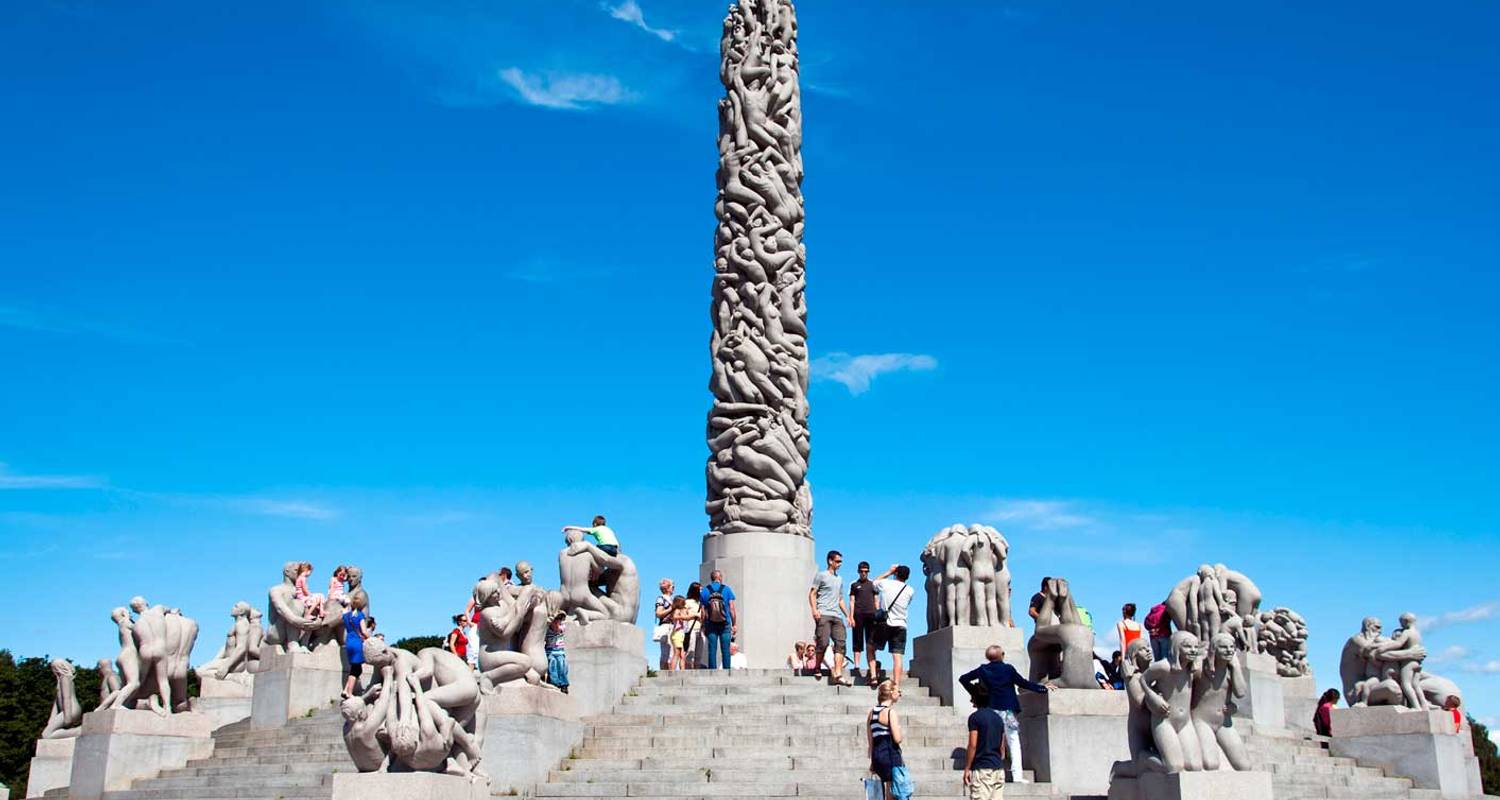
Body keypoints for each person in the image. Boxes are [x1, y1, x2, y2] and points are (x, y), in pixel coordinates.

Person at [959, 645, 1052, 783]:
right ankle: (1017, 776)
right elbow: (1023, 683)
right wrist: (1042, 688)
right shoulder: (1008, 669)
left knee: (990, 740)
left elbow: (963, 679)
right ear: (1002, 655)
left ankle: (993, 770)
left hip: (991, 710)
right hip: (1008, 711)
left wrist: (976, 692)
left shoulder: (983, 669)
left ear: (987, 657)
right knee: (1013, 741)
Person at [809, 549, 852, 686]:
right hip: (823, 613)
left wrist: (848, 615)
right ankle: (817, 666)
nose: (840, 564)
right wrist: (814, 609)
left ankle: (838, 673)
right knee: (823, 642)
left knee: (841, 643)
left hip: (836, 615)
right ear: (830, 561)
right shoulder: (821, 575)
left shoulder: (839, 579)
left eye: (841, 561)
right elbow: (812, 593)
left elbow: (840, 599)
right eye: (838, 561)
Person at [962, 684, 1007, 800]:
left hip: (982, 768)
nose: (970, 700)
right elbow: (1002, 747)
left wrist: (967, 767)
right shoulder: (998, 719)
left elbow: (973, 745)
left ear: (975, 698)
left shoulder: (975, 718)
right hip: (998, 768)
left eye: (972, 697)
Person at [873, 565, 914, 689]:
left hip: (885, 623)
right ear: (907, 577)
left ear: (896, 573)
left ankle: (873, 675)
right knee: (898, 656)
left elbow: (874, 582)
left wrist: (889, 572)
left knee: (871, 647)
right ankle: (896, 685)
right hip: (901, 624)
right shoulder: (910, 590)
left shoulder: (886, 583)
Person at [562, 515, 620, 593]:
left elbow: (582, 529)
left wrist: (568, 527)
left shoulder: (596, 529)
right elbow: (617, 543)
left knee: (590, 553)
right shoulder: (609, 529)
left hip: (605, 547)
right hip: (614, 550)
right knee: (598, 557)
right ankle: (597, 573)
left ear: (595, 524)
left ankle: (592, 575)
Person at [867, 680, 904, 800]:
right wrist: (899, 729)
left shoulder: (871, 713)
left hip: (877, 755)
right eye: (898, 691)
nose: (900, 694)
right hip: (890, 754)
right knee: (893, 791)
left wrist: (872, 761)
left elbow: (871, 741)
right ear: (891, 692)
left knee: (885, 791)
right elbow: (897, 739)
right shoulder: (890, 712)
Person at [849, 561, 880, 683]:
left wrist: (878, 614)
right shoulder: (854, 585)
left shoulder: (873, 584)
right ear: (858, 571)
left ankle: (871, 665)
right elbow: (852, 601)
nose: (864, 573)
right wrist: (850, 617)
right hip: (858, 614)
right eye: (862, 571)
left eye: (866, 571)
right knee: (857, 639)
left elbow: (876, 600)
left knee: (871, 641)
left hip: (871, 615)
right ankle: (856, 665)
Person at [700, 571, 738, 669]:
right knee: (725, 649)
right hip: (725, 622)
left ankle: (712, 671)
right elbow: (732, 608)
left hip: (710, 623)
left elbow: (703, 611)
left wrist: (703, 624)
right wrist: (734, 624)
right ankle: (727, 671)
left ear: (711, 578)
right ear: (720, 577)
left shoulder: (705, 590)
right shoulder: (727, 589)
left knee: (712, 649)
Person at [341, 593, 372, 698]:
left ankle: (345, 690)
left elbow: (344, 614)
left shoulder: (346, 616)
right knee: (356, 669)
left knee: (356, 668)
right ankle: (349, 693)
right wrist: (371, 639)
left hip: (349, 642)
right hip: (357, 643)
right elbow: (364, 631)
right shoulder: (360, 615)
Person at [654, 578, 675, 670]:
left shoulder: (672, 599)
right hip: (666, 626)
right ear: (668, 588)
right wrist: (671, 609)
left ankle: (669, 673)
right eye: (672, 587)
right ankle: (665, 674)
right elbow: (658, 613)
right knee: (666, 654)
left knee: (671, 653)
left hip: (673, 626)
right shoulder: (661, 599)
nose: (673, 589)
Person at [546, 610, 569, 693]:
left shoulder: (562, 627)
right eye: (557, 618)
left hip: (560, 651)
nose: (559, 620)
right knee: (552, 665)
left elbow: (557, 629)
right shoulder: (548, 628)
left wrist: (554, 622)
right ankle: (554, 683)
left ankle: (564, 684)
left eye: (560, 618)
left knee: (562, 666)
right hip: (550, 651)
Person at [681, 582, 703, 669]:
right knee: (690, 653)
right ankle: (688, 672)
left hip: (701, 630)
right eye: (700, 590)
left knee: (699, 656)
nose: (702, 591)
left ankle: (697, 673)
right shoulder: (686, 602)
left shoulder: (701, 603)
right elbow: (683, 616)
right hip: (691, 629)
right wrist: (695, 615)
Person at [669, 596, 689, 670]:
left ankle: (682, 671)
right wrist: (682, 616)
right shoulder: (677, 610)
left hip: (680, 634)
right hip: (677, 633)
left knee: (682, 655)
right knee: (676, 654)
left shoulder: (680, 610)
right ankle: (672, 671)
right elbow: (675, 616)